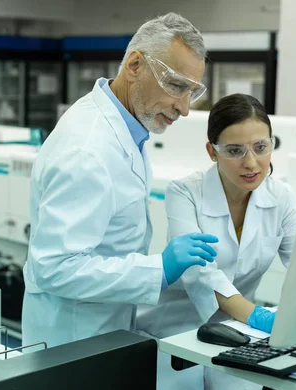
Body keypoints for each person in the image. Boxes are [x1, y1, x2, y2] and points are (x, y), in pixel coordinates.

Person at [21, 12, 218, 353]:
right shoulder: (88, 150)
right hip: (72, 344)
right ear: (135, 65)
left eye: (192, 91)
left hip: (102, 332)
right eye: (175, 85)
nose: (184, 108)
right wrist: (157, 269)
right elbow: (53, 267)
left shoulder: (129, 131)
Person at [136, 93, 296, 390]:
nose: (251, 162)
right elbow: (202, 274)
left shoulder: (282, 198)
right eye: (235, 151)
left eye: (261, 147)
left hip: (237, 331)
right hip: (173, 330)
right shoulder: (185, 193)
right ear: (212, 152)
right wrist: (259, 316)